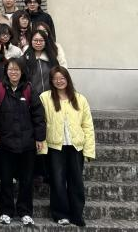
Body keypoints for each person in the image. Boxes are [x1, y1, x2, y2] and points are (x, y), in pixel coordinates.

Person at [0, 59, 45, 226]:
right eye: (10, 69)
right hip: (6, 141)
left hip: (27, 143)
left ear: (22, 72)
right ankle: (6, 211)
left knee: (26, 180)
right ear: (6, 71)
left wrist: (40, 138)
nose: (13, 72)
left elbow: (38, 115)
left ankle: (25, 211)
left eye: (17, 70)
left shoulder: (29, 89)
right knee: (6, 179)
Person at [40, 66, 95, 227]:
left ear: (67, 79)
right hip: (55, 146)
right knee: (57, 181)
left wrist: (89, 150)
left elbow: (87, 126)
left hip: (76, 146)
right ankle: (61, 214)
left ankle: (77, 214)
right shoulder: (45, 97)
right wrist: (42, 147)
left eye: (62, 78)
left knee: (76, 181)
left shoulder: (79, 98)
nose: (59, 81)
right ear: (51, 81)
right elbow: (41, 123)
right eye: (55, 78)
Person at [21, 29, 59, 96]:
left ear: (45, 41)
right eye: (35, 40)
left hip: (51, 95)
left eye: (41, 40)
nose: (38, 43)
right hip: (32, 96)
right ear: (31, 41)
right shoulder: (25, 59)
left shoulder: (52, 58)